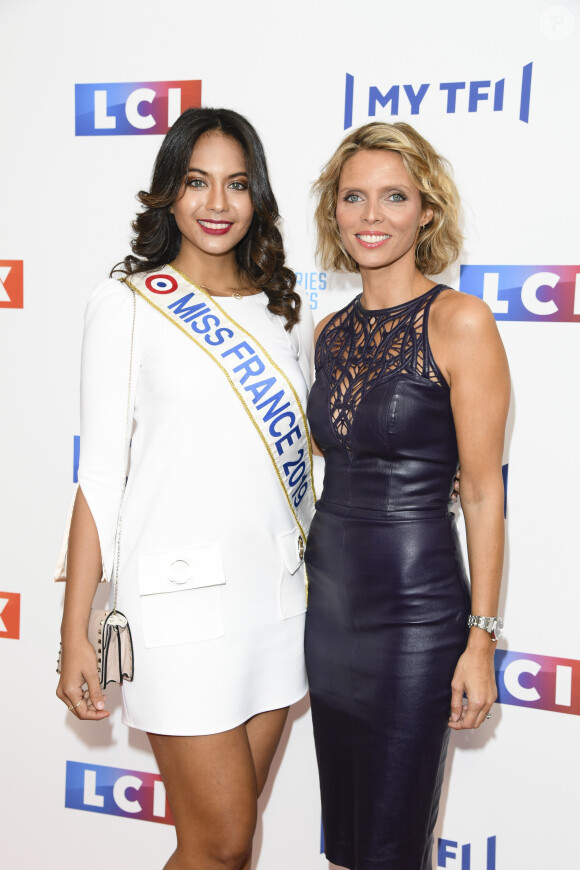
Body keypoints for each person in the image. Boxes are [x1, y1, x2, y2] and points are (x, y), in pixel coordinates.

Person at [56, 107, 315, 870]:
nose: (217, 203)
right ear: (168, 192)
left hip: (277, 606)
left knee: (222, 850)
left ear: (257, 198)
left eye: (237, 184)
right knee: (222, 839)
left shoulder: (281, 314)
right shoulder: (129, 303)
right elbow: (100, 477)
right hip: (176, 611)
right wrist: (75, 630)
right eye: (197, 182)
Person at [304, 121, 510, 870]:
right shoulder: (327, 333)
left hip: (417, 616)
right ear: (334, 213)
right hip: (328, 613)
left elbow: (483, 493)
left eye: (394, 196)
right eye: (353, 197)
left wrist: (480, 638)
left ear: (427, 210)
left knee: (392, 852)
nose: (371, 215)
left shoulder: (460, 321)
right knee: (348, 845)